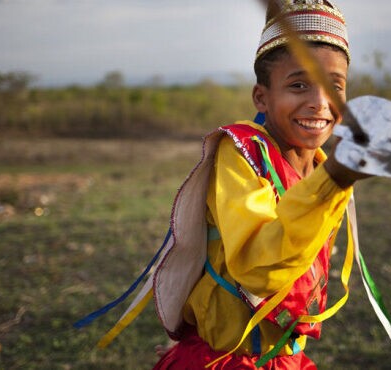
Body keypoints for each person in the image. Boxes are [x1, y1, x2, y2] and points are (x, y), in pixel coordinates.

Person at [150, 1, 370, 368]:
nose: (320, 102)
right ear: (261, 98)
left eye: (335, 86)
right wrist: (336, 178)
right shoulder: (241, 157)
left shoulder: (321, 169)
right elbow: (256, 268)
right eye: (299, 85)